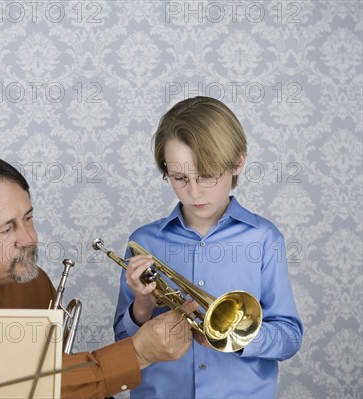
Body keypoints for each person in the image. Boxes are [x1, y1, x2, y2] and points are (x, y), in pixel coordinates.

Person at [0, 150, 196, 399]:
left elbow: (55, 381)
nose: (30, 238)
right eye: (7, 228)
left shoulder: (33, 281)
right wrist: (137, 353)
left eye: (28, 218)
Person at [114, 96, 303, 398]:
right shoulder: (144, 243)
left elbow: (290, 338)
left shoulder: (264, 239)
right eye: (179, 177)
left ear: (238, 162)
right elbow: (122, 345)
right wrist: (143, 305)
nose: (194, 191)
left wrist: (236, 337)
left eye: (207, 175)